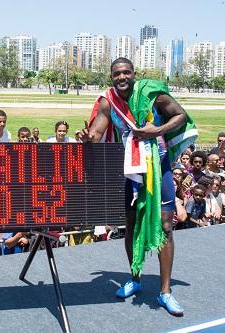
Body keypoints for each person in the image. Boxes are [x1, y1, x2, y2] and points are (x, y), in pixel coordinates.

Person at [81, 57, 198, 316]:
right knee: (132, 226)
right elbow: (96, 134)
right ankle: (135, 277)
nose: (121, 77)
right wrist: (86, 138)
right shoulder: (107, 101)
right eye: (116, 74)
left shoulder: (152, 94)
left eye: (126, 72)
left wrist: (157, 130)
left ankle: (165, 291)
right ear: (111, 77)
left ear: (134, 73)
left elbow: (180, 116)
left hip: (160, 168)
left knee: (166, 226)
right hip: (133, 172)